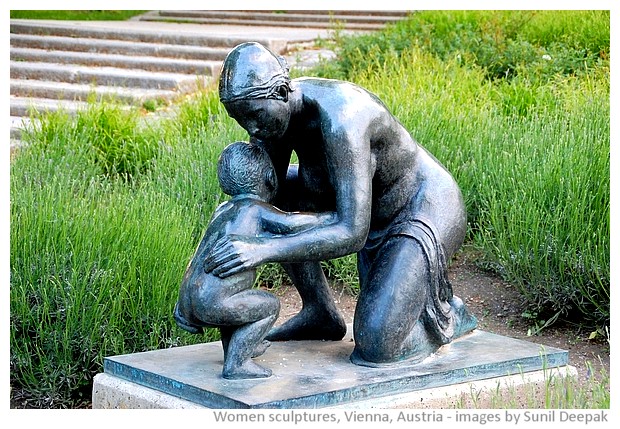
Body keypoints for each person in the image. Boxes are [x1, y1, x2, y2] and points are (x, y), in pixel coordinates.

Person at [205, 42, 478, 367]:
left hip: (420, 209)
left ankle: (447, 315)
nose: (252, 129)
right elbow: (258, 201)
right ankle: (319, 312)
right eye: (240, 119)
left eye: (255, 115)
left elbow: (351, 232)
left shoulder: (343, 120)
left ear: (280, 92)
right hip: (359, 205)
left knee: (377, 347)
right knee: (277, 193)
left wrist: (261, 249)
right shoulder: (270, 120)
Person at [174, 141, 336, 379]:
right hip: (213, 303)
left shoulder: (222, 210)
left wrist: (183, 303)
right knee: (269, 306)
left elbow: (198, 254)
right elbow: (291, 224)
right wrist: (328, 218)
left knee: (236, 306)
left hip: (191, 298)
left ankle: (239, 346)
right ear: (271, 178)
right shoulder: (257, 210)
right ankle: (237, 365)